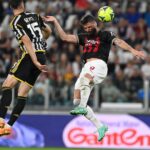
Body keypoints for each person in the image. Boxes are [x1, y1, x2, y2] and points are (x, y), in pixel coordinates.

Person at [43, 14, 145, 141]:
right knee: (76, 100)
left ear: (95, 23)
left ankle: (82, 106)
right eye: (85, 28)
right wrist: (56, 21)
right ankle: (100, 126)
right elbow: (64, 37)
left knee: (85, 84)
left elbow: (119, 42)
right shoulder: (84, 37)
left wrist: (132, 50)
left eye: (89, 26)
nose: (87, 29)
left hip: (99, 65)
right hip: (86, 67)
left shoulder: (105, 34)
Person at [0, 0, 51, 136]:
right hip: (42, 56)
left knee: (7, 85)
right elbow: (48, 30)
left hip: (31, 56)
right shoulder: (35, 15)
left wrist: (34, 59)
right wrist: (41, 43)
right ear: (22, 4)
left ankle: (0, 122)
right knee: (22, 93)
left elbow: (26, 40)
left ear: (11, 7)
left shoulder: (15, 22)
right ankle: (8, 126)